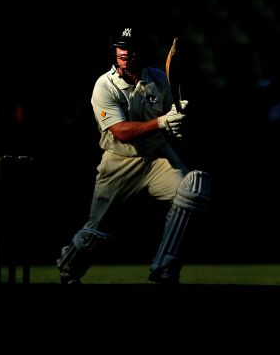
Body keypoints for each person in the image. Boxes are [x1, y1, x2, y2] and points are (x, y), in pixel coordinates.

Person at [56, 27, 211, 285]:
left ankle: (165, 268)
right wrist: (163, 122)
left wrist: (181, 124)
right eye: (121, 47)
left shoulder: (158, 79)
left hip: (156, 157)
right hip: (119, 161)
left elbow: (173, 119)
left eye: (130, 48)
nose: (125, 53)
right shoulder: (104, 86)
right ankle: (69, 268)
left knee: (193, 189)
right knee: (93, 233)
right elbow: (121, 133)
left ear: (143, 50)